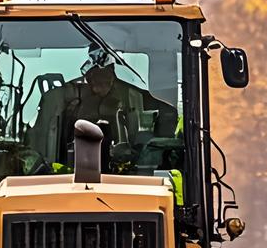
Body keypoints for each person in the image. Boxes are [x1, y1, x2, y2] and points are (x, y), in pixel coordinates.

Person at [33, 56, 176, 171]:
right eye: (93, 78)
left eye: (103, 79)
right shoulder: (61, 98)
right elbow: (38, 144)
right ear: (88, 76)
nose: (96, 87)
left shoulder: (133, 95)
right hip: (63, 176)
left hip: (128, 174)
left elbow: (168, 113)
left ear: (112, 72)